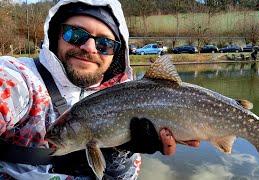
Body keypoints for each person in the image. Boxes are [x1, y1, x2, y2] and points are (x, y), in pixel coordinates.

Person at [0, 0, 199, 179]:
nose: (89, 47)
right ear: (56, 35)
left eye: (105, 44)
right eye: (75, 34)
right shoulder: (21, 78)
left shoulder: (129, 96)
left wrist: (119, 157)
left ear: (116, 54)